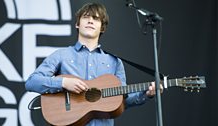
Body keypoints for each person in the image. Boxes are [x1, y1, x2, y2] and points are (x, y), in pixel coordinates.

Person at [25, 2, 163, 126]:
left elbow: (121, 102)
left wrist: (146, 94)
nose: (90, 21)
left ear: (102, 28)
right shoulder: (61, 55)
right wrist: (63, 83)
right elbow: (31, 82)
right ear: (77, 24)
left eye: (96, 19)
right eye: (86, 17)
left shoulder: (114, 62)